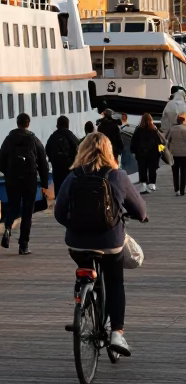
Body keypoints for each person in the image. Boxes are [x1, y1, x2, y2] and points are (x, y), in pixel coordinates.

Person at [54, 131, 147, 357]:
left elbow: (58, 212)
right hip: (110, 242)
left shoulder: (73, 176)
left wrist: (74, 226)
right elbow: (140, 210)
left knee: (84, 269)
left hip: (77, 243)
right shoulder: (118, 175)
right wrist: (141, 216)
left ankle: (83, 298)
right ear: (109, 151)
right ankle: (116, 333)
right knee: (115, 282)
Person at [0, 113, 49, 254]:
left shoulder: (9, 139)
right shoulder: (34, 140)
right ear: (28, 123)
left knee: (13, 207)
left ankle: (7, 228)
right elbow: (43, 164)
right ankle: (23, 245)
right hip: (29, 179)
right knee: (27, 212)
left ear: (17, 123)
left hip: (12, 179)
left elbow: (1, 162)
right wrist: (44, 184)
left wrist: (8, 172)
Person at [45, 115, 79, 196]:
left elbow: (47, 150)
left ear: (57, 125)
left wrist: (53, 160)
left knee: (58, 190)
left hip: (57, 169)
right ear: (67, 125)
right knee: (70, 191)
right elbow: (79, 149)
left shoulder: (53, 136)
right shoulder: (71, 136)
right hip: (69, 169)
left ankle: (58, 205)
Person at [130, 112, 162, 194]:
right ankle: (151, 185)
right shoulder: (154, 130)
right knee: (152, 170)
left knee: (142, 169)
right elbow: (160, 143)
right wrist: (160, 152)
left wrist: (133, 151)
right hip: (153, 154)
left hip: (141, 154)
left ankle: (143, 185)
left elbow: (133, 142)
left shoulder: (138, 130)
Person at [165, 111, 186, 195]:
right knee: (184, 172)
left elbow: (167, 141)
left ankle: (176, 189)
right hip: (184, 154)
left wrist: (165, 151)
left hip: (173, 154)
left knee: (175, 172)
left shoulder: (172, 129)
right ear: (183, 121)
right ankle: (182, 190)